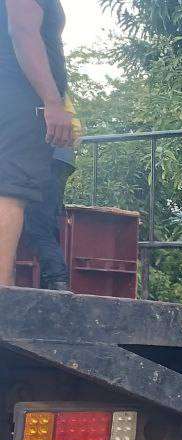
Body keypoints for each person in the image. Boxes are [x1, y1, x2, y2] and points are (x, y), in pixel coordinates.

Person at [1, 0, 76, 286]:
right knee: (11, 191)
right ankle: (4, 300)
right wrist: (52, 102)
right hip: (20, 99)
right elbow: (22, 29)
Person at [18, 144, 72, 289]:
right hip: (58, 157)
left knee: (38, 228)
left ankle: (58, 284)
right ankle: (51, 284)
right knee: (46, 223)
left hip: (41, 155)